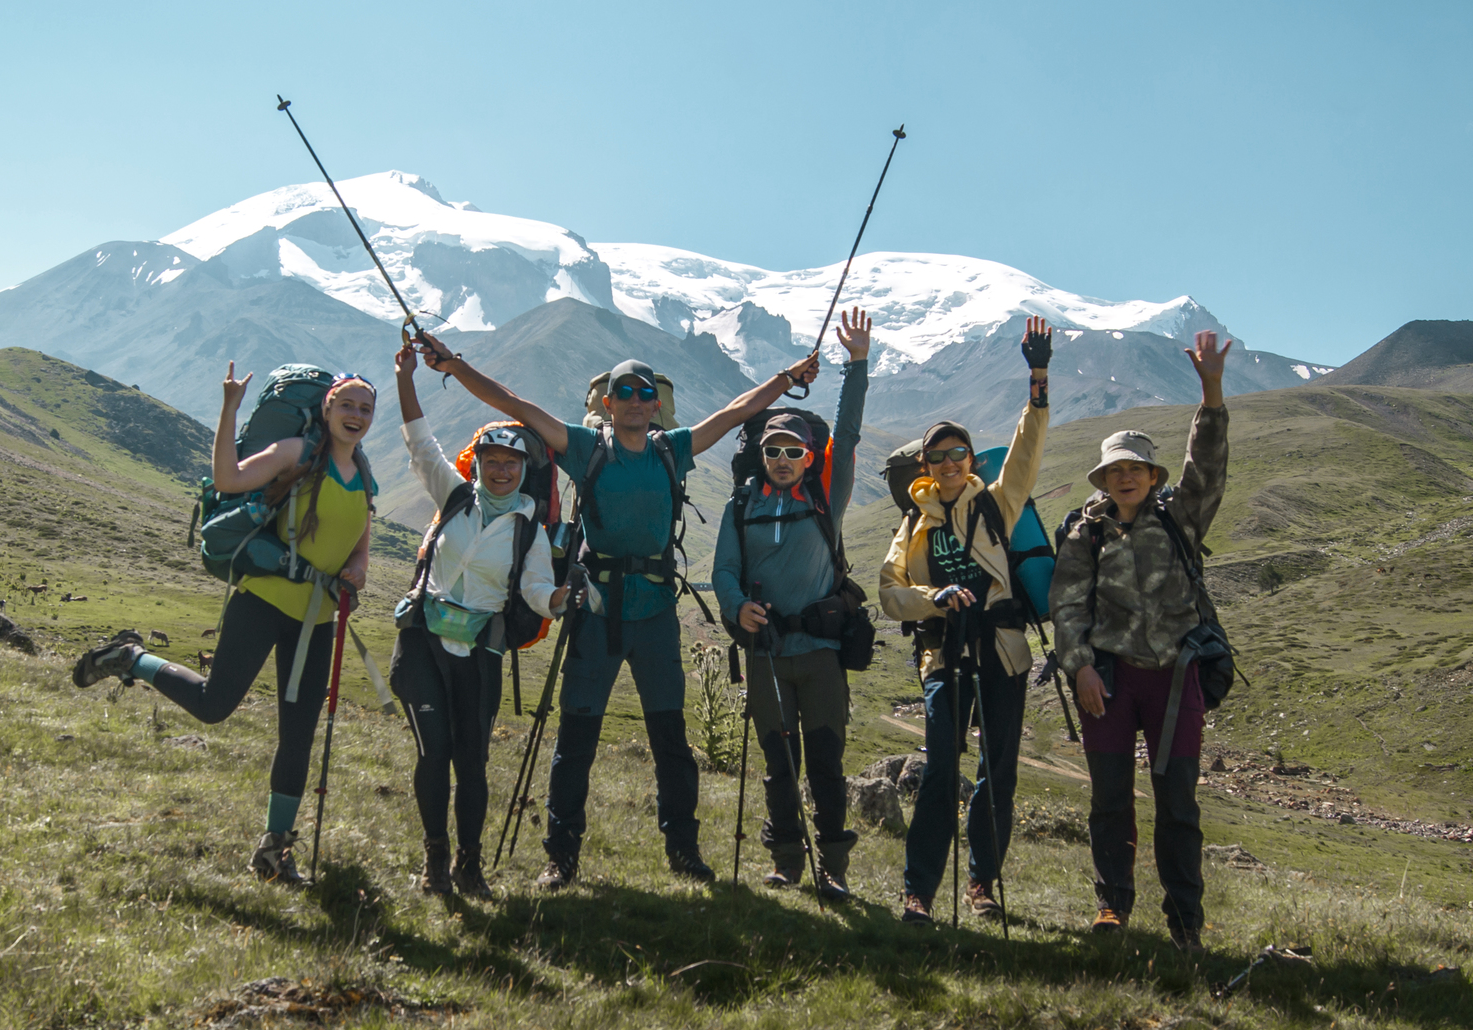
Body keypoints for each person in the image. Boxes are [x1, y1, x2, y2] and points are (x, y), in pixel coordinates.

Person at [411, 330, 819, 887]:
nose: (633, 398)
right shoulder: (586, 446)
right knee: (576, 735)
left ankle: (683, 850)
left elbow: (734, 411)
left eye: (643, 391)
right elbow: (513, 404)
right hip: (596, 608)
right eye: (623, 390)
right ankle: (562, 855)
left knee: (670, 737)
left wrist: (788, 380)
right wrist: (452, 364)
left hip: (653, 609)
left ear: (655, 404)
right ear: (608, 402)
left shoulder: (670, 449)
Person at [71, 362, 377, 888]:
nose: (356, 415)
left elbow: (361, 540)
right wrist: (230, 408)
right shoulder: (297, 454)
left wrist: (357, 571)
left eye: (365, 408)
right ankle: (131, 659)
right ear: (326, 409)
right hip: (262, 599)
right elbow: (228, 479)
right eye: (346, 404)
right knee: (214, 705)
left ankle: (274, 850)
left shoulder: (364, 472)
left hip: (317, 619)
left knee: (298, 735)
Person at [1050, 329, 1230, 953]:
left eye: (1135, 469)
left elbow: (1206, 466)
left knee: (1177, 804)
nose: (1125, 478)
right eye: (1114, 471)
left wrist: (1211, 390)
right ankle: (1112, 907)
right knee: (1109, 800)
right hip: (1111, 680)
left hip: (1176, 682)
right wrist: (1079, 669)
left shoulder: (1181, 517)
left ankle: (1186, 925)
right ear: (1103, 479)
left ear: (1153, 475)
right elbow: (1067, 604)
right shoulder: (1086, 535)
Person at [879, 320, 1052, 926]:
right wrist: (933, 597)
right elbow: (889, 593)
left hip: (1001, 655)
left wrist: (1038, 377)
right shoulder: (913, 525)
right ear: (925, 464)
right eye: (939, 456)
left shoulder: (996, 502)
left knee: (997, 773)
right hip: (943, 657)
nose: (950, 463)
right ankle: (918, 891)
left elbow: (1027, 449)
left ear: (971, 459)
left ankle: (981, 883)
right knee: (942, 771)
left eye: (960, 453)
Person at [392, 343, 570, 899]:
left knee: (472, 762)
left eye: (511, 464)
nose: (499, 470)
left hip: (482, 654)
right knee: (434, 752)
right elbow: (422, 445)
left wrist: (560, 600)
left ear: (523, 471)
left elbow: (537, 590)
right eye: (492, 461)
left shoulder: (529, 530)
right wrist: (406, 380)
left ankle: (469, 866)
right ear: (480, 463)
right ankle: (436, 862)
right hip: (422, 642)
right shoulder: (453, 495)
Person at [712, 308, 872, 897]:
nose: (782, 458)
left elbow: (848, 434)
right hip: (767, 654)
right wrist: (736, 608)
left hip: (822, 653)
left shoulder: (828, 496)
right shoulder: (739, 507)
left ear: (809, 457)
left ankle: (834, 868)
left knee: (826, 765)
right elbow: (723, 570)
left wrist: (857, 365)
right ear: (762, 455)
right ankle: (786, 859)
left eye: (793, 451)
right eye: (773, 449)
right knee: (780, 768)